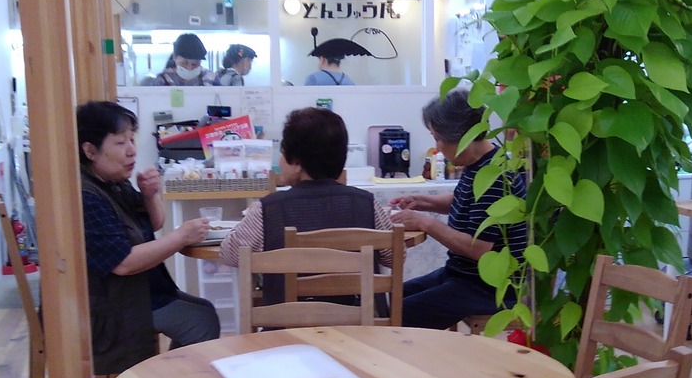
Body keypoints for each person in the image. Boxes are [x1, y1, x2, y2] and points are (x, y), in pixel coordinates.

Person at [77, 100, 220, 372]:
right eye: (121, 143)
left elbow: (153, 224)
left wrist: (150, 195)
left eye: (132, 139)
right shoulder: (87, 196)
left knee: (204, 311)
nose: (132, 150)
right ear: (90, 150)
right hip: (114, 306)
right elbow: (124, 263)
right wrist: (181, 236)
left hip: (140, 292)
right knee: (200, 319)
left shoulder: (113, 182)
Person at [219, 107, 394, 304]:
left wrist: (249, 217)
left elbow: (230, 254)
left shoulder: (269, 210)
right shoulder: (366, 204)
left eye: (282, 153)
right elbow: (394, 256)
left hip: (288, 320)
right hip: (361, 319)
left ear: (296, 163)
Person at [389, 88, 527, 330]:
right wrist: (422, 201)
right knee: (387, 298)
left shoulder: (497, 176)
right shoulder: (483, 163)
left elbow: (479, 248)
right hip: (462, 276)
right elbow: (462, 200)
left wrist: (425, 223)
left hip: (489, 288)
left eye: (439, 139)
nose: (437, 147)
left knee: (397, 312)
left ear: (462, 137)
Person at [142, 33, 216, 86]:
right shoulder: (162, 80)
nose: (189, 68)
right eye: (184, 63)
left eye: (194, 64)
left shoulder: (211, 78)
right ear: (174, 57)